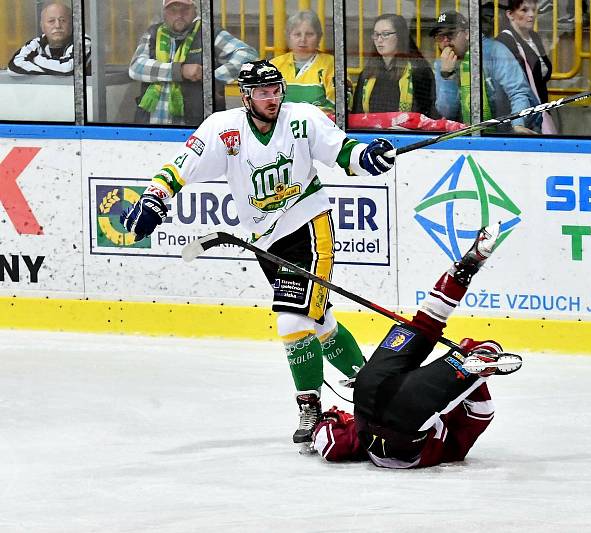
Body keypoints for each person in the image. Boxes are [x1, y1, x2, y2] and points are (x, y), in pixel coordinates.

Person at [119, 60, 397, 446]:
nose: (272, 98)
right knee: (318, 322)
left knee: (290, 317)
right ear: (246, 96)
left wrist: (368, 157)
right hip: (266, 240)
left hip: (309, 225)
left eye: (276, 90)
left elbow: (344, 151)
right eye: (263, 93)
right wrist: (155, 198)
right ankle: (370, 385)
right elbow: (180, 167)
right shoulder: (223, 128)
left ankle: (309, 405)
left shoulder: (303, 118)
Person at [312, 223, 523, 468]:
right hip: (368, 394)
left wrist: (473, 373)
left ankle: (478, 349)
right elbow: (327, 441)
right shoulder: (353, 440)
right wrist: (329, 418)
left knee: (433, 332)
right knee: (424, 325)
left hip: (404, 421)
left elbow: (482, 411)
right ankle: (471, 338)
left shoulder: (449, 448)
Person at [129, 0, 258, 126]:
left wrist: (211, 78)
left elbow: (248, 55)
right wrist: (180, 71)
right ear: (164, 13)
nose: (179, 15)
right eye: (173, 11)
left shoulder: (207, 32)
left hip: (197, 129)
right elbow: (136, 67)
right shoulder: (152, 34)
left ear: (195, 11)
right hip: (149, 129)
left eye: (184, 10)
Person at [431, 11, 540, 134]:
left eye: (450, 35)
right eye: (439, 37)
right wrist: (447, 76)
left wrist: (518, 124)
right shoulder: (442, 64)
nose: (445, 41)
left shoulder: (494, 52)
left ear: (467, 34)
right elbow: (447, 112)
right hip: (467, 136)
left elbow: (518, 92)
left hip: (507, 133)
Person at [351, 14, 438, 119]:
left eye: (385, 34)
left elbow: (427, 113)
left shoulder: (418, 71)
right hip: (372, 134)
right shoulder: (367, 73)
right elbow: (357, 114)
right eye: (376, 35)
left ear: (400, 36)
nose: (379, 40)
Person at [495, 0, 556, 134]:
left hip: (538, 112)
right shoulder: (504, 42)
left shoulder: (534, 37)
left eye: (534, 10)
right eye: (524, 10)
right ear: (510, 14)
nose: (531, 15)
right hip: (520, 116)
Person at [270, 11, 336, 116]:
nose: (303, 39)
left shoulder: (333, 65)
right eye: (297, 34)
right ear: (288, 37)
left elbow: (338, 108)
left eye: (309, 34)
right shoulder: (273, 66)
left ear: (319, 37)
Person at [7, 2, 91, 76]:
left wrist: (35, 59)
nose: (57, 25)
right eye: (51, 21)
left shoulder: (83, 42)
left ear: (73, 23)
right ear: (42, 26)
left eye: (63, 20)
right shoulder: (36, 43)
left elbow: (68, 68)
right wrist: (55, 70)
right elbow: (14, 65)